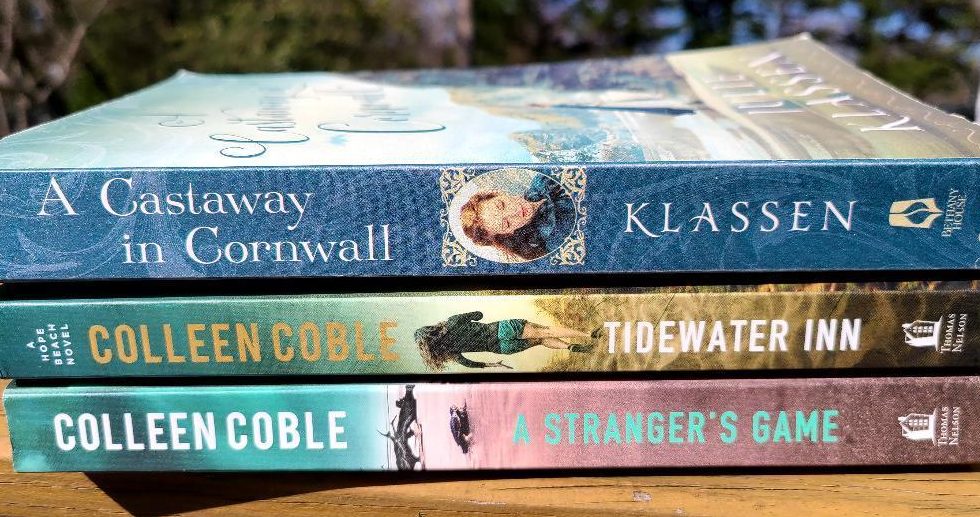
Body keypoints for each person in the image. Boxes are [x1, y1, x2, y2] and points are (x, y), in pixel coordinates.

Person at [414, 310, 598, 370]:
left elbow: (469, 363)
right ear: (430, 329)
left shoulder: (451, 352)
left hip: (501, 348)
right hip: (500, 329)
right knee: (546, 331)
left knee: (541, 341)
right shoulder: (452, 322)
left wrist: (494, 365)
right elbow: (479, 314)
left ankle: (570, 347)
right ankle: (588, 335)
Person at [459, 174, 576, 261]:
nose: (515, 212)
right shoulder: (556, 239)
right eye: (506, 223)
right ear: (509, 233)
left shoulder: (540, 180)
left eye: (501, 205)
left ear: (500, 194)